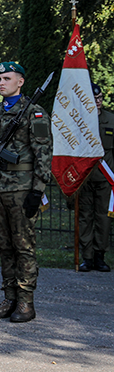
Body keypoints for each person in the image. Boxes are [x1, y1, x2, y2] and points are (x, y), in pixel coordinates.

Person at [0, 62, 52, 323]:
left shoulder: (35, 113)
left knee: (24, 246)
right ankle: (9, 296)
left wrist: (38, 190)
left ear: (20, 82)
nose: (2, 82)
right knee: (4, 246)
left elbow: (43, 153)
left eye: (7, 78)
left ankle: (25, 301)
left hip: (22, 190)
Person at [77, 83, 114, 272]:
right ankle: (87, 257)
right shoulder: (78, 121)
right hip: (84, 177)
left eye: (99, 98)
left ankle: (100, 255)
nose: (97, 102)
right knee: (85, 217)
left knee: (103, 217)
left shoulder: (111, 119)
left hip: (105, 177)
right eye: (93, 99)